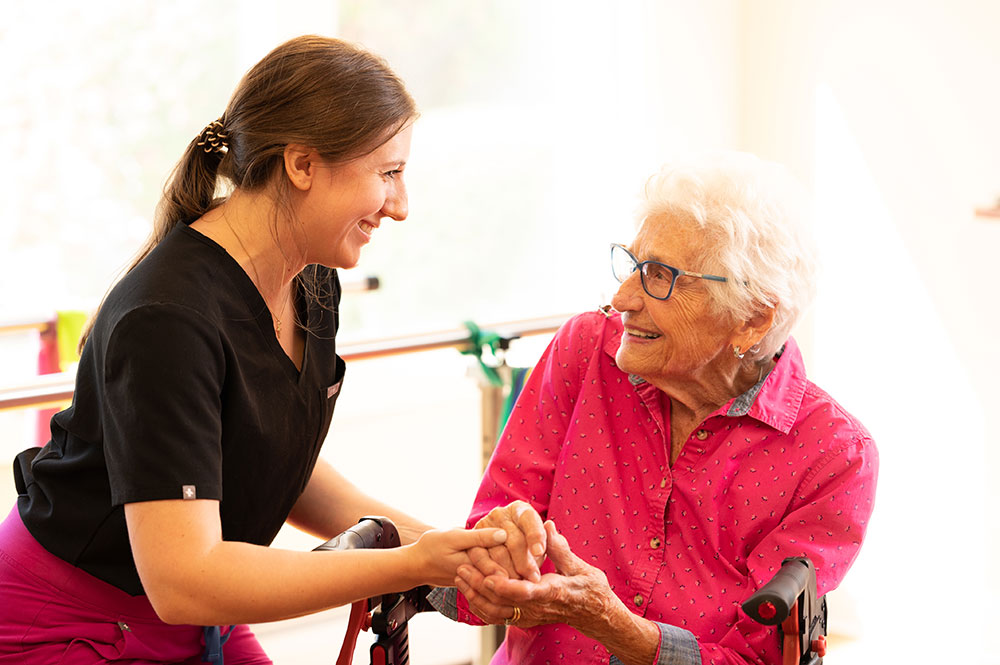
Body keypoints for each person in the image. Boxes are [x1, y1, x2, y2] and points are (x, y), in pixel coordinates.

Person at [0, 35, 507, 664]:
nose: (401, 207)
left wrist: (452, 552)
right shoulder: (168, 319)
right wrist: (405, 564)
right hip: (70, 622)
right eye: (389, 174)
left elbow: (272, 462)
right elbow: (185, 580)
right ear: (300, 165)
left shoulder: (311, 281)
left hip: (193, 611)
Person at [430, 152, 879, 665]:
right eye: (633, 264)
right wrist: (499, 569)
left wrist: (614, 625)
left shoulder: (833, 456)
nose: (622, 297)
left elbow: (757, 661)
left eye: (661, 276)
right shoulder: (586, 351)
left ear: (753, 319)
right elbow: (490, 532)